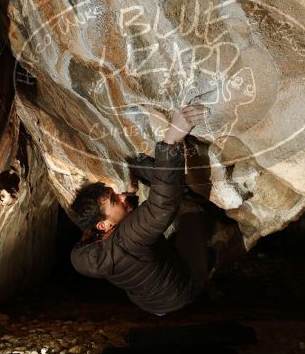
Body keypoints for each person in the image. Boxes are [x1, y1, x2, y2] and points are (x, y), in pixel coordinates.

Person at [69, 104, 217, 316]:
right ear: (103, 225)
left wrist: (129, 195)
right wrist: (171, 141)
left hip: (149, 303)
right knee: (191, 213)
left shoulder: (87, 250)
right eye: (114, 200)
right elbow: (161, 206)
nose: (120, 196)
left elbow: (125, 230)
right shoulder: (126, 241)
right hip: (180, 292)